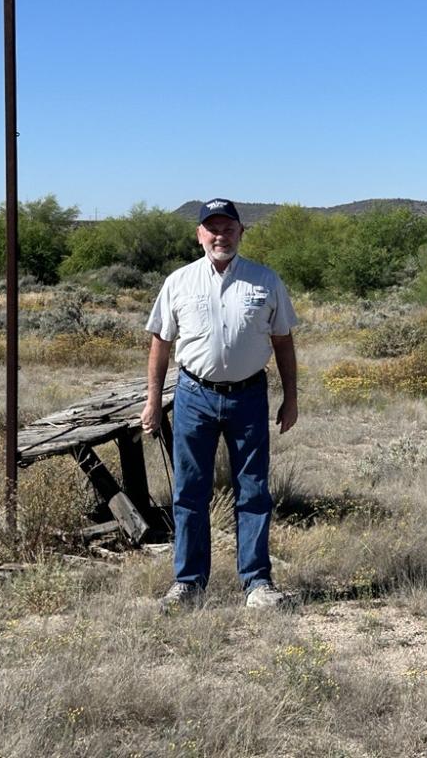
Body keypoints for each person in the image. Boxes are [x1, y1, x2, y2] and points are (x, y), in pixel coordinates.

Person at [140, 198, 298, 609]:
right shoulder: (179, 282)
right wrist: (153, 400)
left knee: (254, 490)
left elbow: (283, 341)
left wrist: (291, 398)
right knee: (190, 492)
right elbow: (161, 342)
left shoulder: (265, 281)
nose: (219, 236)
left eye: (228, 228)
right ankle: (189, 583)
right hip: (194, 395)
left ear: (241, 232)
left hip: (248, 396)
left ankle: (258, 584)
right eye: (211, 228)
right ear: (199, 235)